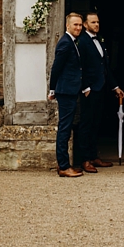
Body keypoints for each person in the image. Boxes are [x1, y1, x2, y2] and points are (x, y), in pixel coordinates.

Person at [74, 10, 123, 173]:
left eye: (98, 22)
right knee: (86, 124)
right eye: (93, 22)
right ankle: (85, 159)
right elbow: (80, 66)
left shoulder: (100, 41)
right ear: (86, 24)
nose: (97, 25)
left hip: (101, 88)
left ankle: (94, 156)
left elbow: (105, 67)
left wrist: (115, 87)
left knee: (96, 123)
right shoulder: (82, 41)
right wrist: (85, 87)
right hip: (89, 89)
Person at [48, 12, 90, 177]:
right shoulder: (65, 43)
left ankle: (64, 165)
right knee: (64, 129)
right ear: (67, 25)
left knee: (66, 127)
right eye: (75, 25)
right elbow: (56, 67)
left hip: (71, 90)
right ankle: (64, 166)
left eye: (80, 25)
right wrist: (53, 89)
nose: (78, 28)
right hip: (65, 91)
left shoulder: (73, 42)